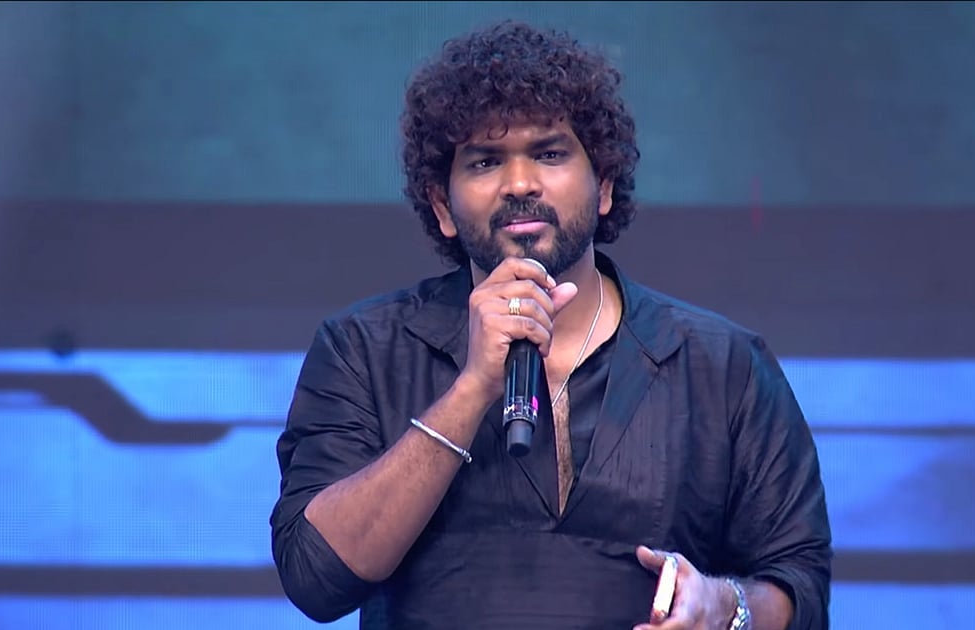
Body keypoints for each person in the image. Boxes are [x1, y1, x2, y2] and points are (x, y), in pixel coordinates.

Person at [269, 20, 832, 630]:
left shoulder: (723, 364)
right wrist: (471, 390)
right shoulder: (362, 348)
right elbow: (315, 578)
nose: (519, 184)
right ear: (442, 206)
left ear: (604, 185)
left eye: (550, 153)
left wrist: (724, 608)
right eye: (485, 161)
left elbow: (800, 591)